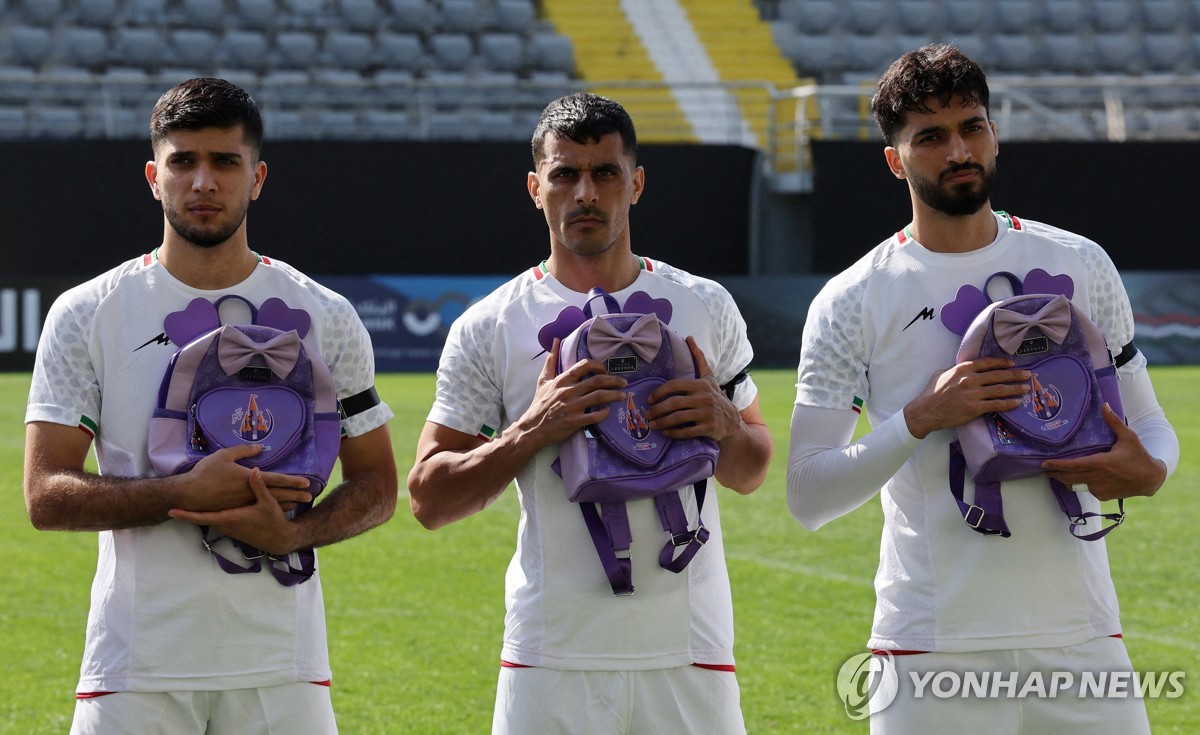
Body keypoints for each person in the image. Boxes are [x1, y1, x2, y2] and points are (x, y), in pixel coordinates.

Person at [787, 44, 1179, 734]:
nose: (958, 150)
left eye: (971, 127)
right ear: (895, 160)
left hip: (1082, 639)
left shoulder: (1080, 262)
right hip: (930, 646)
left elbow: (1150, 427)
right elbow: (808, 492)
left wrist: (1150, 470)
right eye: (930, 137)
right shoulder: (853, 298)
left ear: (994, 134)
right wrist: (920, 417)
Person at [23, 78, 397, 734]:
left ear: (257, 178)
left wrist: (295, 534)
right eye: (183, 162)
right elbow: (45, 494)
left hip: (281, 669)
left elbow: (379, 485)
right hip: (136, 667)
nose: (203, 182)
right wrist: (180, 492)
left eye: (225, 161)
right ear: (153, 177)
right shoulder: (87, 312)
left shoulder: (326, 314)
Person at [407, 92, 773, 734]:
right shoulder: (490, 324)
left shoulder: (704, 304)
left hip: (689, 650)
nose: (585, 193)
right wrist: (530, 431)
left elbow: (753, 469)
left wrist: (723, 424)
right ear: (535, 188)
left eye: (605, 173)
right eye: (564, 174)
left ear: (636, 183)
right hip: (550, 654)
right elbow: (429, 499)